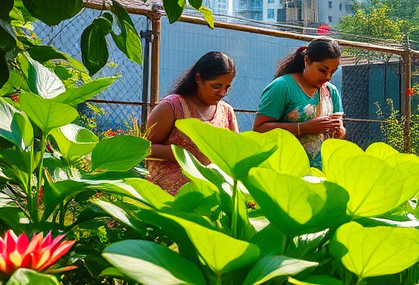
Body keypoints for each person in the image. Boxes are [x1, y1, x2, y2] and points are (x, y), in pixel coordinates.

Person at [146, 52, 239, 194]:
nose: (222, 93)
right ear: (198, 78)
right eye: (216, 86)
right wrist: (188, 156)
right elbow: (146, 148)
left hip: (213, 192)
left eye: (227, 87)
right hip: (168, 195)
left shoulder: (227, 112)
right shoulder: (172, 106)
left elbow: (234, 154)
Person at [254, 38, 346, 169]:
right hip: (285, 169)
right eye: (322, 70)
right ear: (307, 60)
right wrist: (303, 128)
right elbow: (259, 129)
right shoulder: (282, 86)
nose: (328, 77)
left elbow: (340, 129)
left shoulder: (332, 92)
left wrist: (339, 131)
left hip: (322, 172)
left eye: (333, 71)